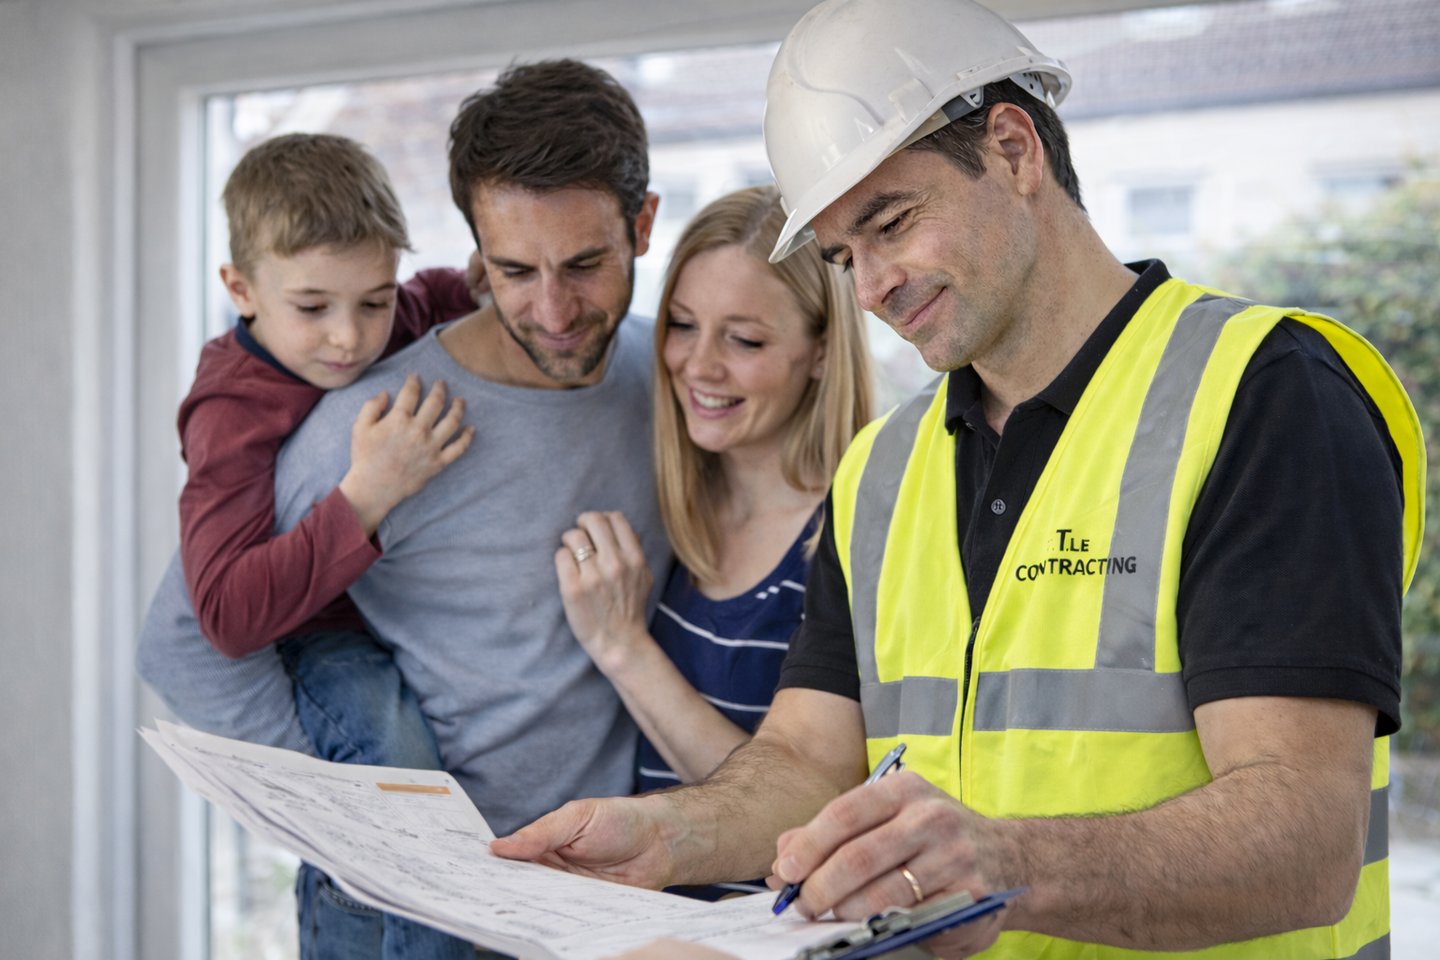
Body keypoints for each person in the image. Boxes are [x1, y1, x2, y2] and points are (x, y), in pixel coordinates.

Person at [492, 3, 1425, 959]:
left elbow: (1309, 841)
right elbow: (811, 759)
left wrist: (1001, 866)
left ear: (1014, 150)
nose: (868, 288)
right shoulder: (883, 470)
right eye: (844, 255)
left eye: (891, 223)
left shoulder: (1261, 395)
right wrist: (666, 836)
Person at [137, 59, 671, 959]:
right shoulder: (373, 427)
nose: (551, 310)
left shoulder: (668, 377)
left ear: (643, 226)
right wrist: (364, 813)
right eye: (513, 270)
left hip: (607, 906)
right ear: (478, 256)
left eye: (584, 264)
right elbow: (187, 639)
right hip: (420, 901)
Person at [137, 131, 481, 957]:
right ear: (241, 289)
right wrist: (365, 496)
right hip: (314, 642)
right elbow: (224, 612)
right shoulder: (229, 408)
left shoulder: (403, 310)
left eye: (374, 300)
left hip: (400, 616)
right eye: (313, 308)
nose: (351, 338)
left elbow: (443, 294)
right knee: (396, 773)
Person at [552, 185, 872, 895]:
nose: (699, 365)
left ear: (820, 352)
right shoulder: (676, 513)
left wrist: (623, 648)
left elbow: (796, 806)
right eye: (684, 325)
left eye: (745, 339)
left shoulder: (854, 536)